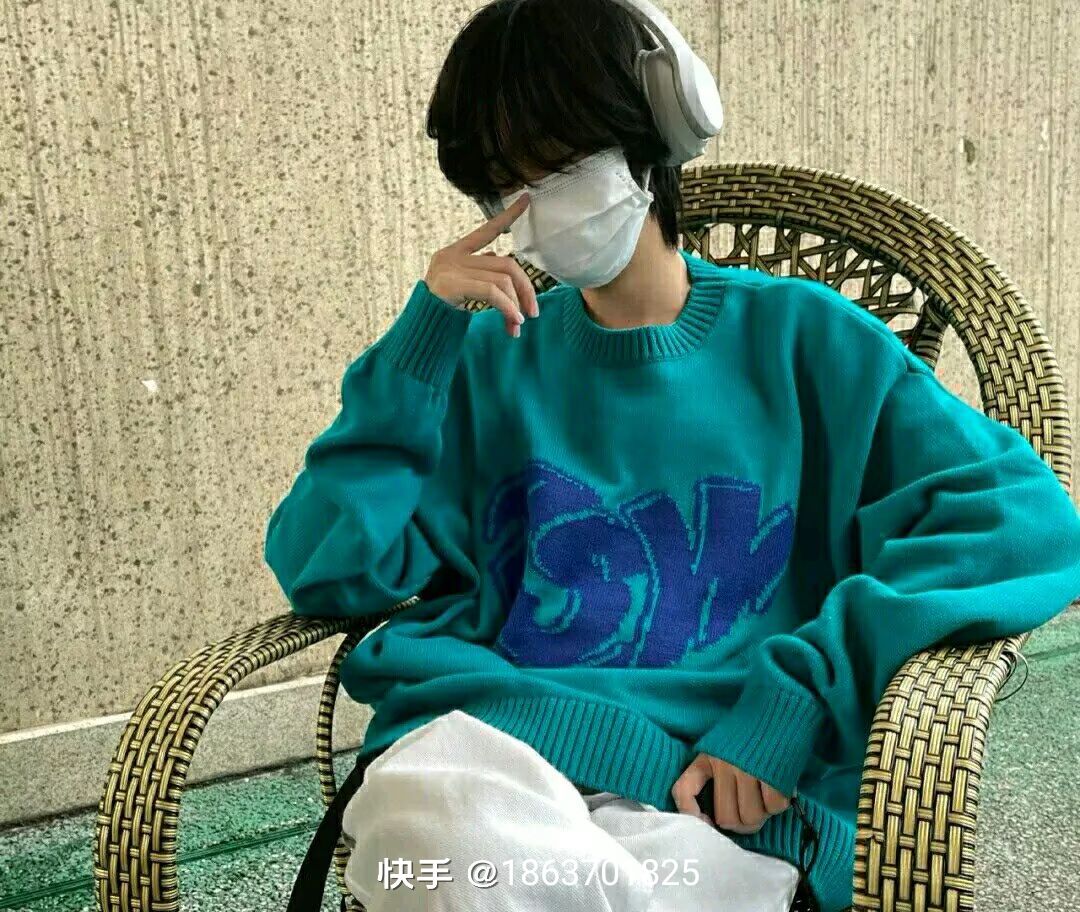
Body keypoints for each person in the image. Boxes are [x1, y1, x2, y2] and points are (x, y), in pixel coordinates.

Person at [265, 1, 1080, 910]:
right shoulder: (487, 358)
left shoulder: (807, 341)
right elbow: (326, 568)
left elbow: (1023, 521)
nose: (527, 210)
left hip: (715, 791)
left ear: (657, 130)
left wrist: (801, 694)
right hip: (486, 750)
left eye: (556, 163)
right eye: (500, 185)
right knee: (445, 831)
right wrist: (419, 348)